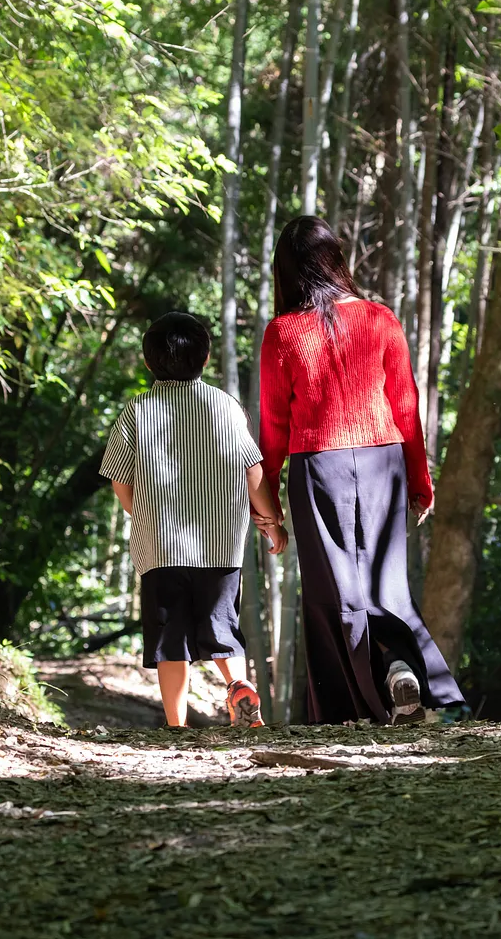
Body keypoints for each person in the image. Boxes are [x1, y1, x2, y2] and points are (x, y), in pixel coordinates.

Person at [257, 217, 464, 725]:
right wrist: (420, 481)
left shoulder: (283, 333)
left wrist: (269, 507)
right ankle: (402, 673)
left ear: (285, 270)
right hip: (383, 461)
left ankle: (353, 708)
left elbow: (273, 426)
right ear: (337, 260)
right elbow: (405, 407)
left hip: (318, 465)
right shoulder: (380, 319)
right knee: (386, 588)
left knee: (336, 596)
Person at [101, 312, 287, 728]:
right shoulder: (224, 405)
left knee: (172, 643)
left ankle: (176, 725)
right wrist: (271, 520)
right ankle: (239, 684)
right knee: (223, 627)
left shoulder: (137, 410)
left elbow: (120, 479)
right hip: (220, 545)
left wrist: (140, 512)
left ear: (149, 363)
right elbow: (253, 470)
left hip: (161, 548)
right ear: (205, 360)